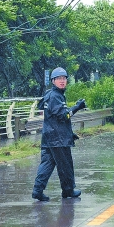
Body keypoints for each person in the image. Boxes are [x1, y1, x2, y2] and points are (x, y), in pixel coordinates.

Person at [32, 67, 86, 201]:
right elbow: (64, 116)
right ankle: (68, 190)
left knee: (47, 164)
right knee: (65, 164)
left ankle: (37, 190)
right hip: (57, 138)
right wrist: (77, 107)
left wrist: (70, 133)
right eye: (59, 79)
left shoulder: (51, 95)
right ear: (53, 81)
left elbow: (54, 118)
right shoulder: (55, 96)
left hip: (50, 136)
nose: (62, 81)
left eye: (64, 78)